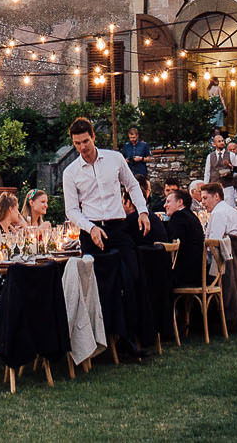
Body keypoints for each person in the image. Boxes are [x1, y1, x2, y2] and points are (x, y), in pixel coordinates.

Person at [60, 116, 153, 359]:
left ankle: (131, 339)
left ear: (94, 137)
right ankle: (100, 342)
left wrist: (142, 211)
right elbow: (71, 210)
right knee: (99, 287)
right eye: (77, 143)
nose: (82, 147)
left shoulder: (114, 158)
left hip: (118, 227)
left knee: (130, 278)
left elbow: (132, 185)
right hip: (91, 232)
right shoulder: (70, 172)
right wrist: (90, 228)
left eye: (86, 141)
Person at [160, 185, 207, 289]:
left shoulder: (178, 217)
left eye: (168, 201)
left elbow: (174, 247)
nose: (164, 205)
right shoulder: (191, 216)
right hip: (197, 272)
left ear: (180, 202)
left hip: (185, 275)